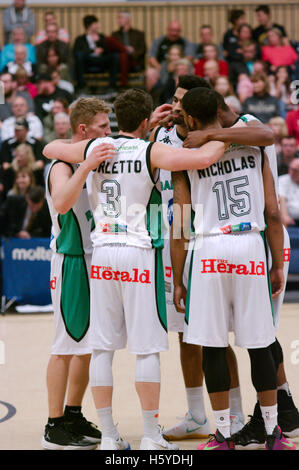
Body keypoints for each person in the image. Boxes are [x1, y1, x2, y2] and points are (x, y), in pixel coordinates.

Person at [43, 87, 234, 451]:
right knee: (145, 349)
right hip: (138, 254)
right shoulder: (152, 150)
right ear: (146, 122)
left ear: (116, 120)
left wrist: (86, 152)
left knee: (101, 349)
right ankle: (149, 434)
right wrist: (223, 135)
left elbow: (51, 148)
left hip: (101, 254)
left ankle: (111, 437)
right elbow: (203, 159)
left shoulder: (95, 149)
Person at [172, 87, 295, 451]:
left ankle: (223, 434)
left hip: (208, 246)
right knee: (259, 343)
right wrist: (274, 261)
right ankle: (273, 433)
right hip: (250, 245)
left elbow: (180, 222)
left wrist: (179, 277)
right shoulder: (253, 147)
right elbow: (273, 212)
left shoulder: (186, 154)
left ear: (191, 119)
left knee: (212, 345)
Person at [42, 97, 113, 450]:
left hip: (92, 258)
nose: (109, 132)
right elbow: (62, 203)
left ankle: (72, 413)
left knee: (88, 344)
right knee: (64, 345)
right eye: (103, 126)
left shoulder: (92, 160)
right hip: (70, 260)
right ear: (83, 130)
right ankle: (53, 426)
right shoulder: (61, 165)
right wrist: (85, 167)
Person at [73, 15, 120, 93]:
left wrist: (98, 43)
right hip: (88, 62)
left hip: (101, 61)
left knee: (114, 56)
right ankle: (81, 87)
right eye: (95, 23)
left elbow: (108, 50)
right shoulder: (80, 39)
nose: (98, 25)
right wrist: (92, 50)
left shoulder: (101, 37)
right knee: (79, 56)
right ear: (89, 25)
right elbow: (76, 52)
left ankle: (112, 87)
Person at [146, 20, 194, 93]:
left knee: (184, 69)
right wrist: (161, 68)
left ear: (180, 31)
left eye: (177, 31)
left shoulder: (184, 42)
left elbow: (189, 57)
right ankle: (151, 97)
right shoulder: (159, 41)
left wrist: (176, 65)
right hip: (161, 67)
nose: (174, 33)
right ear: (168, 30)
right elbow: (151, 57)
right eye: (172, 30)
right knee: (150, 72)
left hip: (180, 67)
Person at [279, 159, 299, 227]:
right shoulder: (282, 180)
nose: (292, 172)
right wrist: (285, 215)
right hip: (290, 222)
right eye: (291, 168)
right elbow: (281, 198)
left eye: (295, 170)